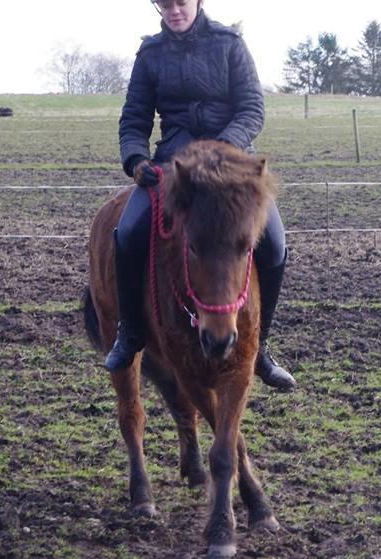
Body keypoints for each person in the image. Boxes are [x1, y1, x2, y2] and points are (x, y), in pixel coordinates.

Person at [106, 0, 296, 391]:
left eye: (181, 2)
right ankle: (130, 333)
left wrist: (223, 151)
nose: (174, 10)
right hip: (176, 171)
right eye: (165, 3)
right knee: (126, 236)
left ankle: (260, 347)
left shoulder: (230, 44)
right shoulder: (150, 54)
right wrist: (136, 159)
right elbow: (134, 118)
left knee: (274, 245)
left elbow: (251, 108)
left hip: (232, 170)